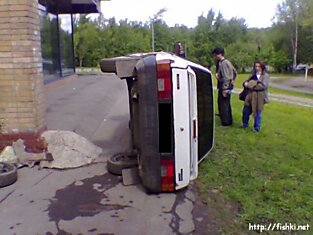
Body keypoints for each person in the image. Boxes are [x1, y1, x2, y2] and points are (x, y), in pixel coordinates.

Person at [241, 61, 270, 132]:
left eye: (258, 66)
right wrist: (246, 84)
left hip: (259, 97)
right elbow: (246, 82)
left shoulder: (265, 76)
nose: (257, 68)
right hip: (250, 96)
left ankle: (256, 127)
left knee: (257, 112)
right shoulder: (252, 74)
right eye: (255, 66)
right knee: (246, 110)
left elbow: (263, 86)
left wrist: (251, 85)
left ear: (261, 67)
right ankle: (245, 124)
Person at [212, 47, 236, 126]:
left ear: (219, 54)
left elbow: (226, 77)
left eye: (215, 55)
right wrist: (233, 80)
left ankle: (226, 121)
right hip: (227, 85)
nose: (215, 57)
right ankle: (228, 119)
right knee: (225, 103)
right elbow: (234, 72)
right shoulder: (227, 62)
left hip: (225, 86)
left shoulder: (224, 63)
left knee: (224, 104)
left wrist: (225, 88)